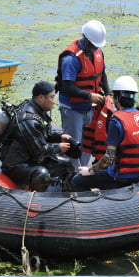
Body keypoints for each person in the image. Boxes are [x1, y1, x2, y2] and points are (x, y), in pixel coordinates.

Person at [71, 75, 139, 192]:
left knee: (77, 180)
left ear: (116, 99)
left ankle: (88, 206)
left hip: (121, 177)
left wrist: (91, 170)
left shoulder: (116, 121)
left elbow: (108, 157)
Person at [0, 81, 80, 192]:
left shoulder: (36, 110)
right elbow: (39, 150)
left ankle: (68, 193)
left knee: (66, 164)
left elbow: (44, 134)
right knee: (42, 174)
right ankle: (39, 202)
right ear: (41, 97)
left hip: (30, 157)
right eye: (51, 97)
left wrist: (59, 137)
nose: (54, 102)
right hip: (15, 165)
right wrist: (59, 147)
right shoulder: (29, 120)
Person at [55, 20, 110, 169]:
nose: (94, 48)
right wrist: (89, 96)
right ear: (84, 38)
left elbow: (101, 74)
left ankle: (85, 168)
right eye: (92, 45)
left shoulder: (98, 52)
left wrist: (109, 93)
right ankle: (73, 175)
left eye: (96, 46)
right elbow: (66, 87)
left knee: (87, 142)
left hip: (90, 108)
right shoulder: (71, 59)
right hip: (72, 109)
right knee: (73, 143)